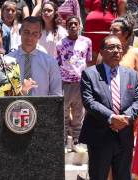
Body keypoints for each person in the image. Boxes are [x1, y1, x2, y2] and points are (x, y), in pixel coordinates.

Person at [79, 35, 138, 180]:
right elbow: (89, 101)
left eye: (119, 47)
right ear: (101, 52)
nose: (116, 51)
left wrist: (125, 118)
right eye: (111, 47)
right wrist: (112, 118)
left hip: (124, 137)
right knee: (98, 176)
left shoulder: (132, 75)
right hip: (99, 136)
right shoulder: (90, 74)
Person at [56, 16, 92, 144]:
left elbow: (88, 61)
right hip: (65, 83)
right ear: (66, 27)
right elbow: (58, 62)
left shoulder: (87, 42)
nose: (72, 26)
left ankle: (77, 140)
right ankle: (64, 141)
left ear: (79, 26)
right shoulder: (60, 44)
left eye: (75, 24)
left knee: (78, 114)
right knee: (64, 113)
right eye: (70, 24)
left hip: (80, 83)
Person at [9, 16, 62, 96]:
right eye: (26, 32)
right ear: (20, 32)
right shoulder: (8, 60)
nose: (30, 37)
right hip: (14, 106)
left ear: (40, 36)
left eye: (34, 33)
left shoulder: (50, 62)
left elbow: (56, 94)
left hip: (41, 107)